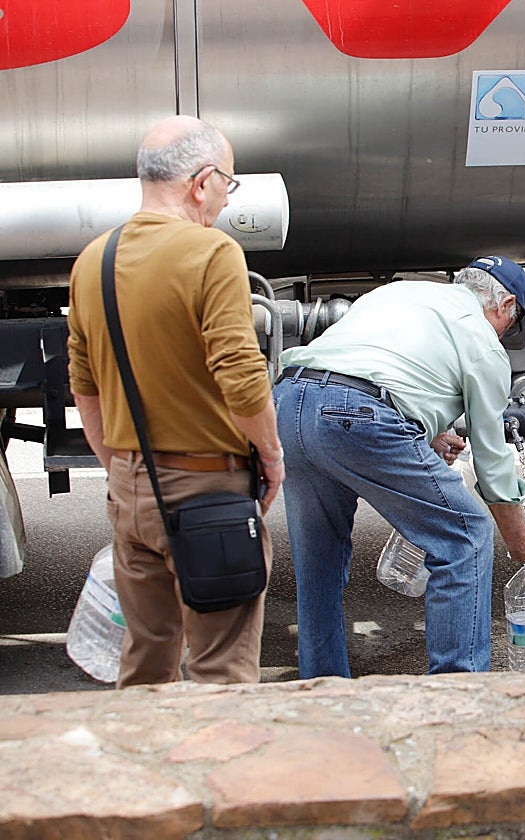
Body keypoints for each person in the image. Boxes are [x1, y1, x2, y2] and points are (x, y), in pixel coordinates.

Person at [67, 115, 284, 687]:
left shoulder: (94, 259)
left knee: (145, 663)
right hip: (207, 490)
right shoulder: (212, 253)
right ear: (201, 181)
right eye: (228, 184)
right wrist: (272, 455)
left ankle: (147, 775)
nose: (224, 197)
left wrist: (121, 469)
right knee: (221, 671)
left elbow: (84, 386)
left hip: (131, 492)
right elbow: (240, 375)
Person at [273, 255, 525, 678]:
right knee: (466, 535)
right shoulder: (483, 340)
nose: (505, 333)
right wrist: (517, 535)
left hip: (290, 400)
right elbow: (492, 459)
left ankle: (322, 689)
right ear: (506, 304)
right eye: (512, 323)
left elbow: (372, 367)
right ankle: (459, 688)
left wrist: (426, 431)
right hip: (355, 415)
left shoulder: (401, 292)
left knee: (318, 563)